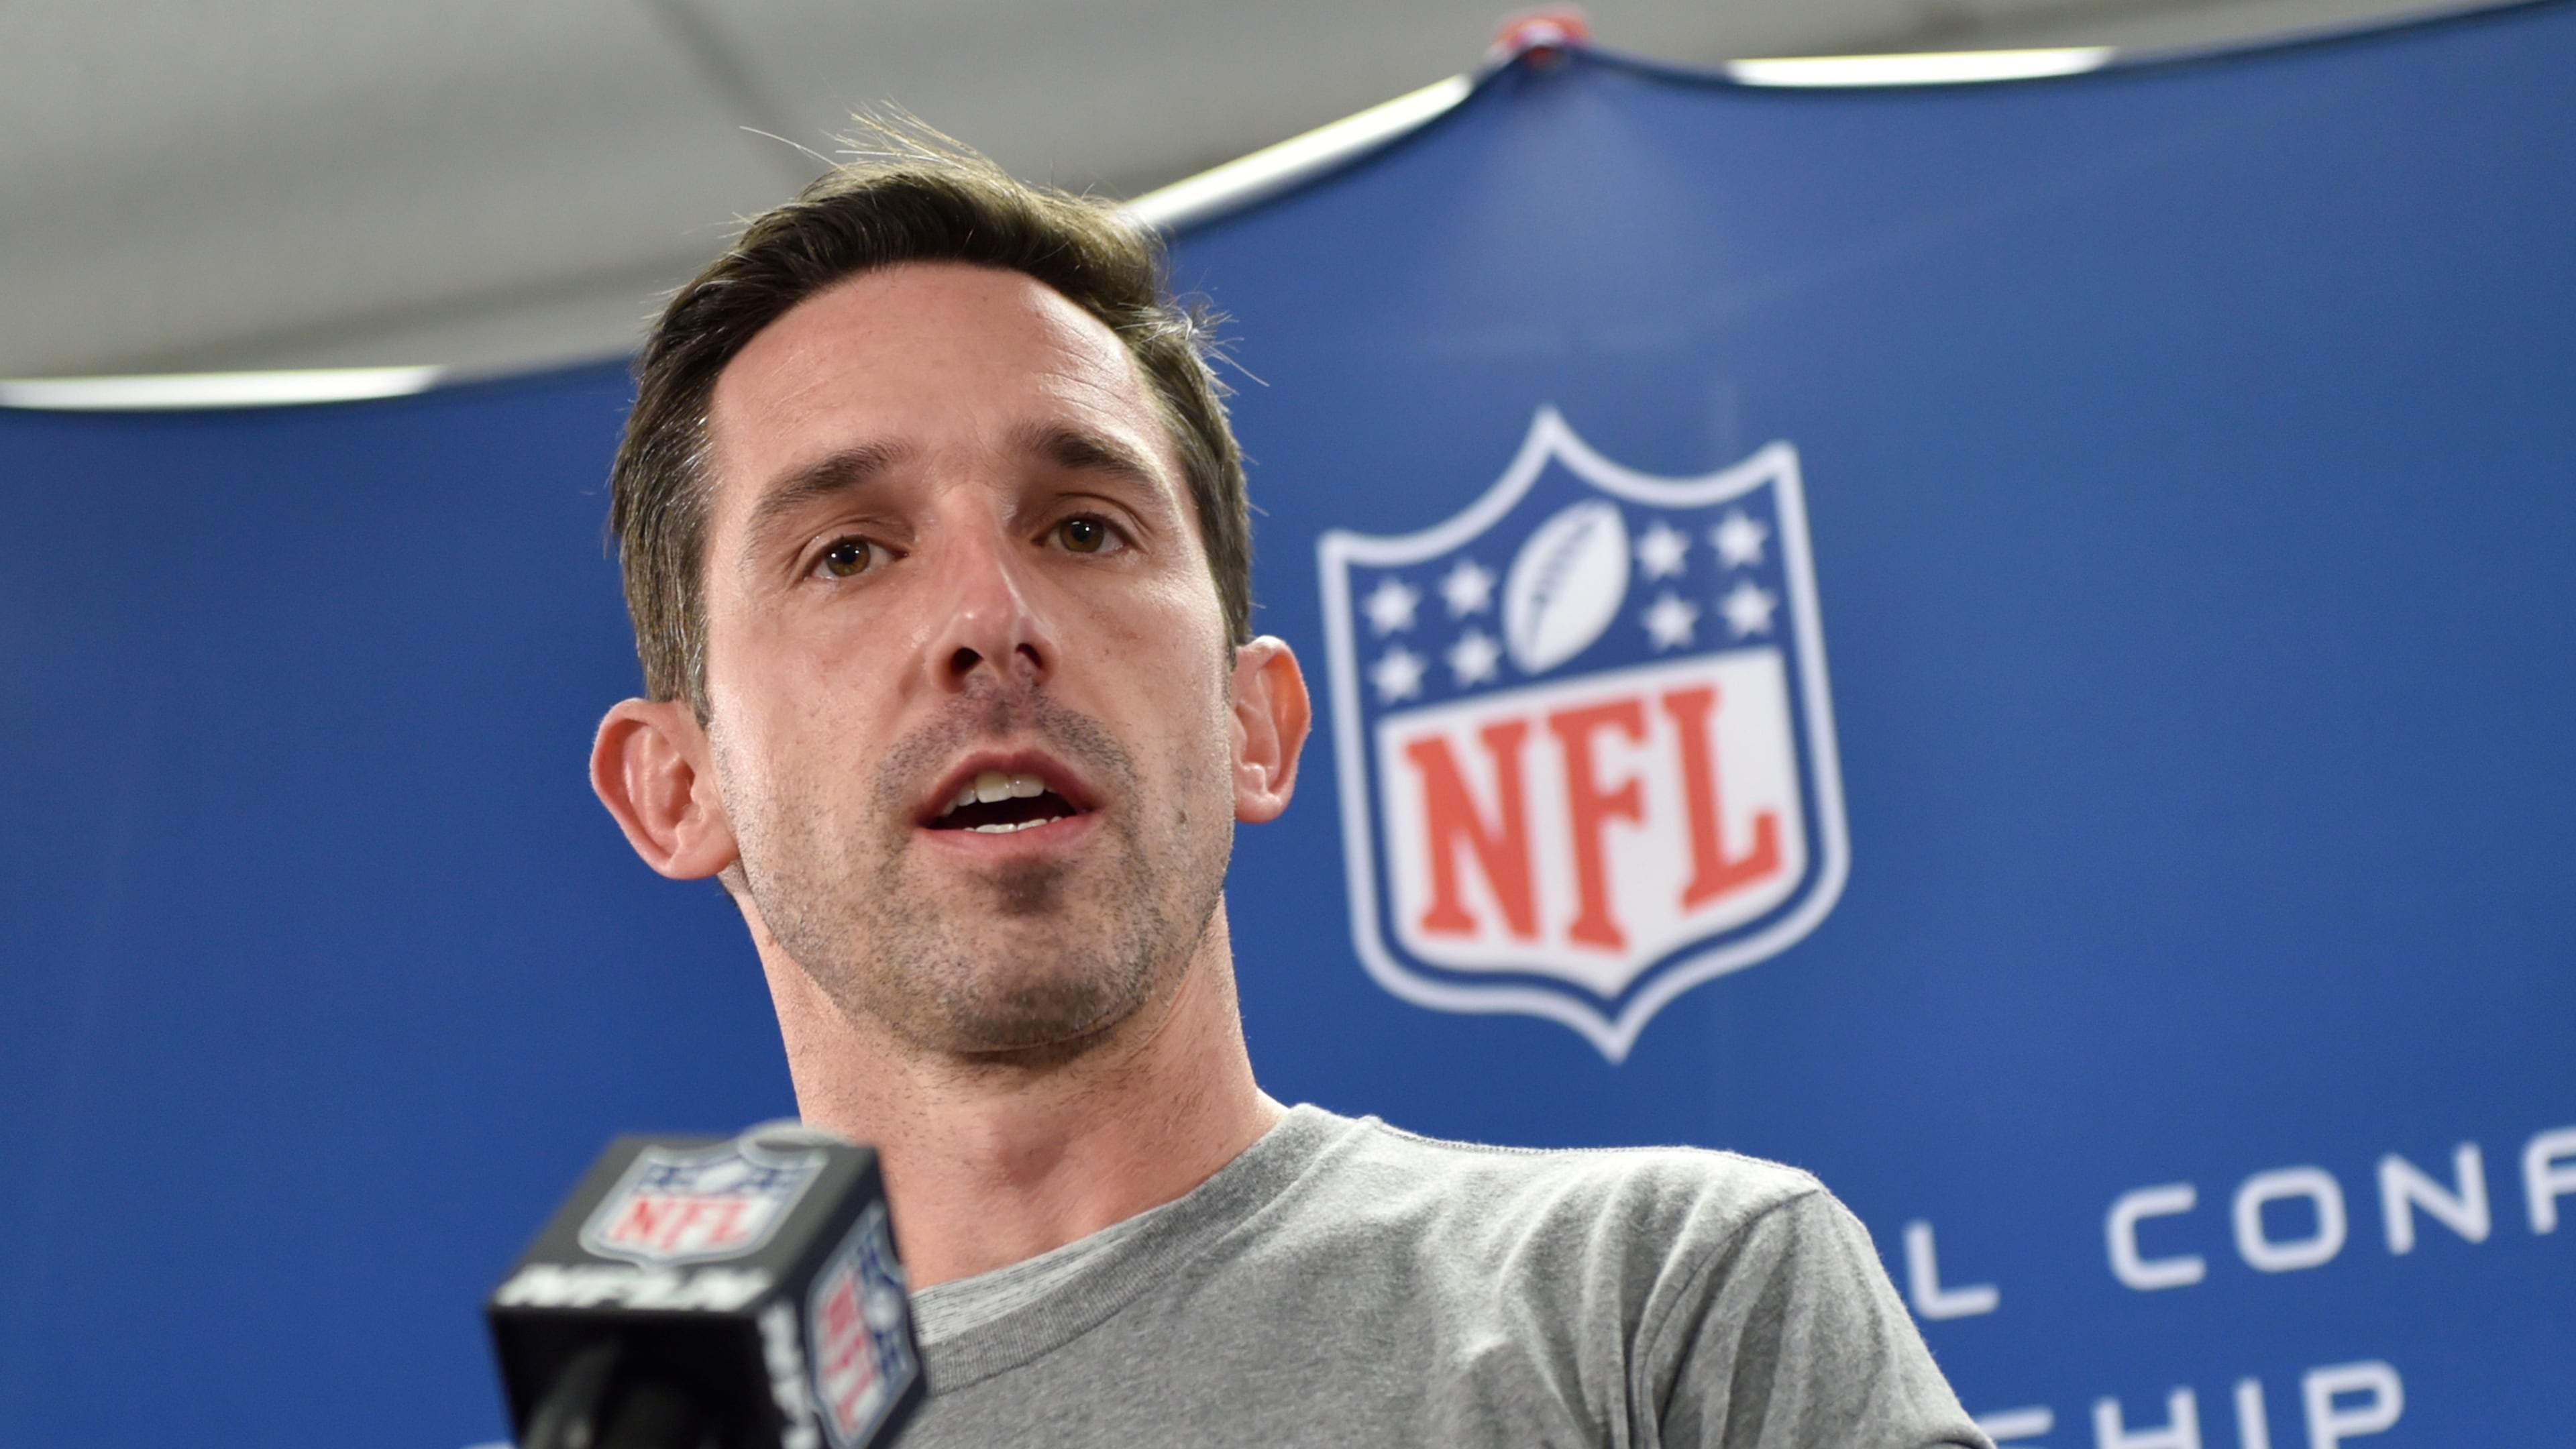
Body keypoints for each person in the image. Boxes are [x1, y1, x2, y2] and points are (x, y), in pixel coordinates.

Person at [587, 125, 1988, 1448]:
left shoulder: (1666, 1305)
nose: (988, 615)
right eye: (847, 553)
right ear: (677, 787)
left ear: (1254, 724)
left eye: (1084, 525)